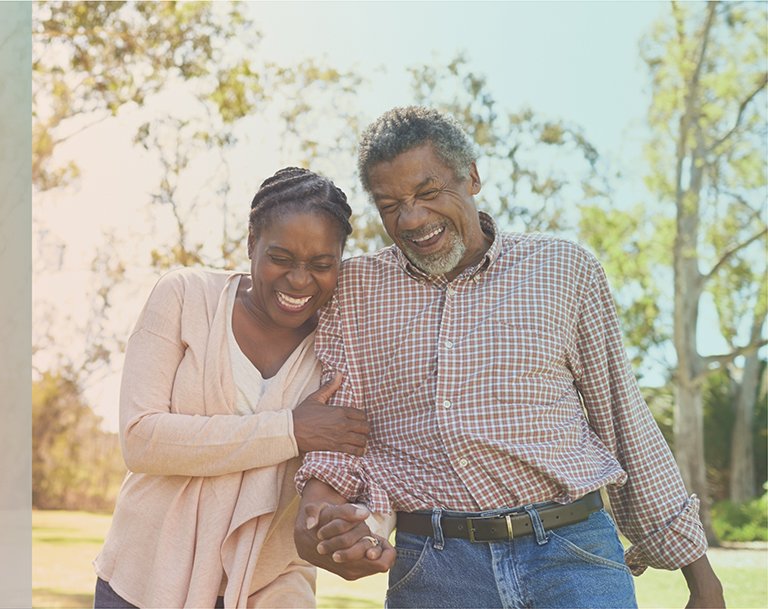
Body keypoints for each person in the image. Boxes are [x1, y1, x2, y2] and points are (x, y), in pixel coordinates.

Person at [292, 106, 726, 608]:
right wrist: (321, 520)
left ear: (472, 177)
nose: (411, 218)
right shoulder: (356, 291)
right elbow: (338, 431)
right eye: (391, 204)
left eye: (429, 193)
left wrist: (702, 579)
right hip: (435, 569)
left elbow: (623, 418)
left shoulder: (564, 269)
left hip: (574, 555)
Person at [93, 167, 383, 609]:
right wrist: (290, 431)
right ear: (252, 244)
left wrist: (362, 529)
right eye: (281, 258)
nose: (300, 280)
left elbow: (355, 459)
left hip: (268, 586)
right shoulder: (185, 296)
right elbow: (141, 439)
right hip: (143, 580)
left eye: (321, 265)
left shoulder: (341, 346)